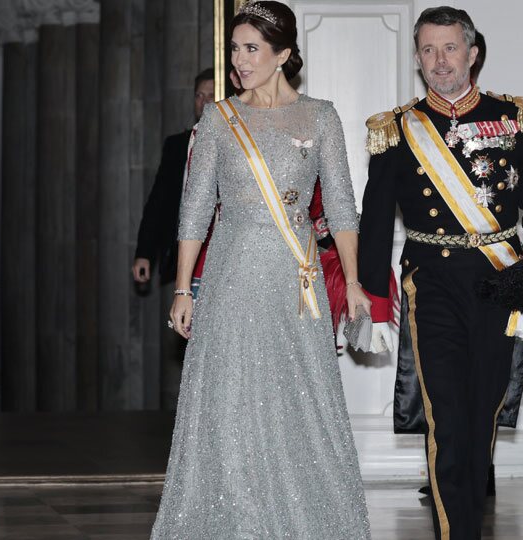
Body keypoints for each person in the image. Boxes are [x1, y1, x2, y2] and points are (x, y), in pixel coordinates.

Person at [150, 2, 371, 537]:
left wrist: (356, 283)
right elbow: (195, 208)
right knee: (229, 403)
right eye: (235, 48)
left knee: (302, 404)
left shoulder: (321, 117)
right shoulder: (220, 118)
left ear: (283, 55)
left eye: (251, 49)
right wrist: (184, 288)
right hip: (229, 278)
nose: (239, 60)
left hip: (296, 284)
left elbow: (341, 208)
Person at [358, 7, 523, 539]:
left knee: (480, 418)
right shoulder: (397, 129)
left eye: (449, 48)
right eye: (427, 50)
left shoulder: (512, 117)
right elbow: (377, 223)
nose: (439, 61)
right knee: (447, 419)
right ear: (417, 58)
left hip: (501, 283)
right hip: (433, 284)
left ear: (472, 53)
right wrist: (376, 306)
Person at [132, 68, 215, 291]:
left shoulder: (235, 144)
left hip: (222, 252)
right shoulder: (177, 145)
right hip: (186, 252)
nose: (204, 102)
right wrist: (144, 253)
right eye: (199, 95)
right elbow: (158, 202)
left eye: (210, 96)